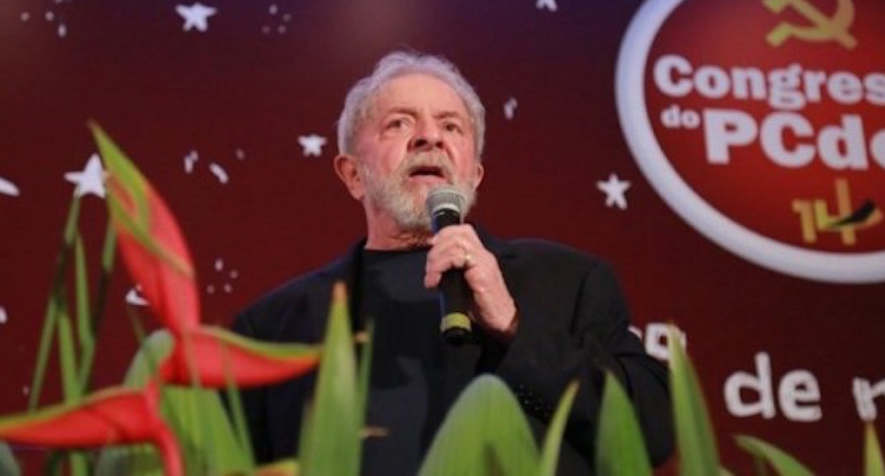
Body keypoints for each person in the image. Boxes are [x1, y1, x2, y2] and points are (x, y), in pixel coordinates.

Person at [232, 50, 674, 474]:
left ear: (474, 174)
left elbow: (652, 430)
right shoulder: (274, 328)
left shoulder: (567, 282)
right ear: (352, 174)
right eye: (399, 123)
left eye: (451, 126)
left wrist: (514, 326)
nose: (430, 137)